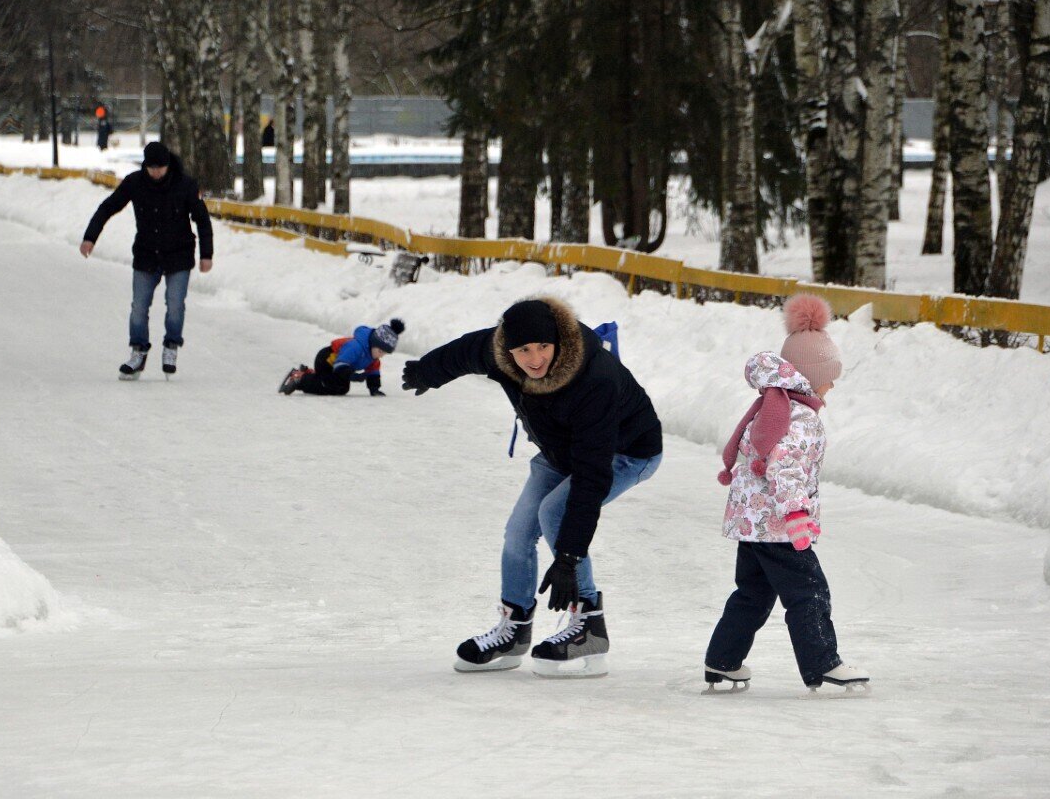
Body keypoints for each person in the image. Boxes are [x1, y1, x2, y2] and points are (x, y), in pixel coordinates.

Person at [400, 297, 663, 678]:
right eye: (523, 349)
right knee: (518, 532)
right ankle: (514, 629)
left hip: (626, 452)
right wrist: (428, 372)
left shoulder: (595, 378)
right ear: (508, 348)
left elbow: (592, 475)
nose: (534, 358)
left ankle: (589, 624)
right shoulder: (499, 354)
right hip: (560, 452)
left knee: (554, 512)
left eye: (543, 347)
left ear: (558, 341)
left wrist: (569, 558)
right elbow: (464, 351)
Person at [703, 294, 869, 694]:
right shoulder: (801, 418)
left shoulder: (771, 406)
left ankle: (723, 660)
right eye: (830, 376)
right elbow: (786, 468)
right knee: (809, 592)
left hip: (752, 524)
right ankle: (823, 662)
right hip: (779, 525)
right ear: (811, 376)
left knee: (753, 594)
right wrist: (797, 518)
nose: (832, 385)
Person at [79, 141, 213, 380]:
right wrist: (90, 237)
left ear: (168, 166)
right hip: (146, 254)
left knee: (175, 305)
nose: (156, 173)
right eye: (151, 168)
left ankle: (171, 347)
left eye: (160, 168)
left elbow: (202, 220)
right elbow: (108, 207)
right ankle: (138, 352)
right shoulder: (134, 183)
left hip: (178, 254)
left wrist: (206, 255)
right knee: (138, 308)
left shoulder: (185, 185)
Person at [280, 319, 405, 396]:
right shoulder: (355, 347)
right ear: (373, 343)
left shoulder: (373, 357)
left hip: (338, 368)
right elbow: (340, 365)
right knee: (330, 386)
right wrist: (354, 376)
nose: (381, 355)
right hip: (326, 360)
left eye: (384, 353)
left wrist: (374, 389)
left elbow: (373, 372)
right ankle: (300, 378)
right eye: (380, 351)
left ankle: (309, 374)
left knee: (342, 388)